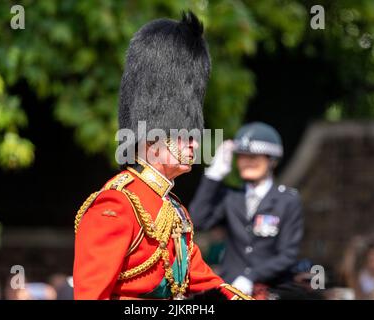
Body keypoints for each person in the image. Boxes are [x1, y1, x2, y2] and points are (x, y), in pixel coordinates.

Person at [73, 11, 251, 300]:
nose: (194, 144)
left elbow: (208, 284)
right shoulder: (117, 204)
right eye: (184, 133)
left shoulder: (175, 211)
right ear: (153, 138)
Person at [189, 122, 304, 296]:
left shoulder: (287, 201)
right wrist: (213, 176)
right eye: (242, 156)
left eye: (254, 157)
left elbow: (288, 255)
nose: (247, 162)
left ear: (271, 160)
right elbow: (197, 220)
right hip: (230, 289)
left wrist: (251, 277)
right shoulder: (231, 197)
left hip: (268, 290)